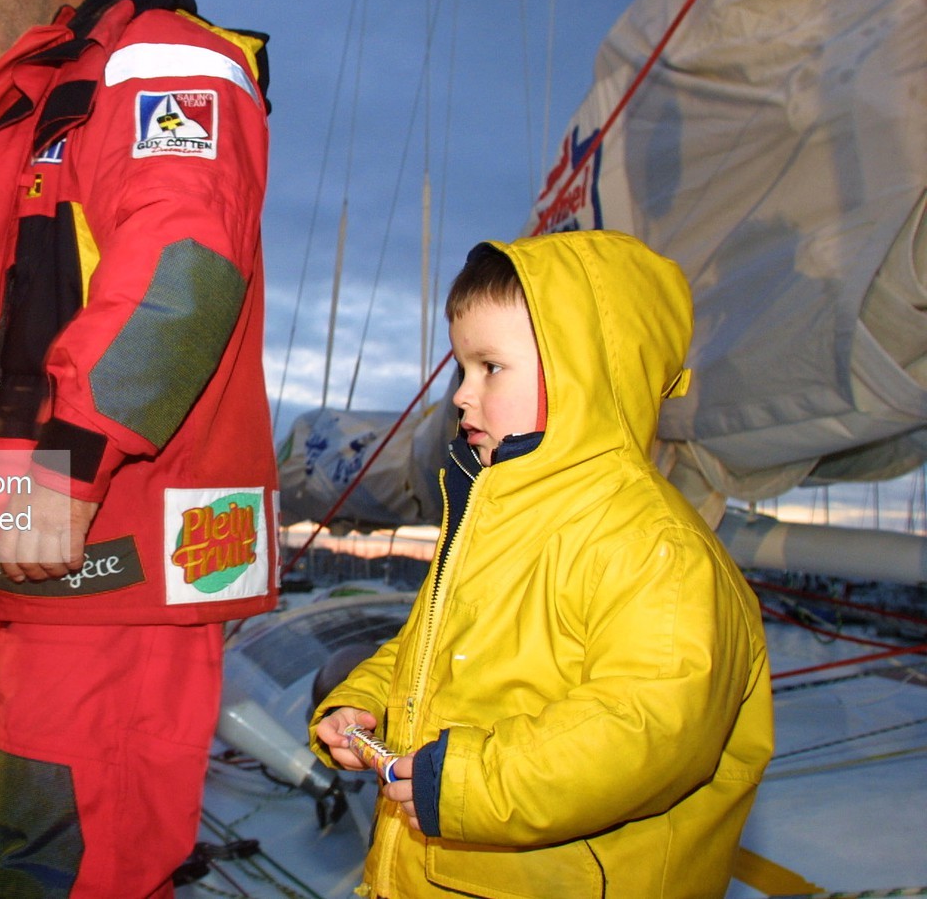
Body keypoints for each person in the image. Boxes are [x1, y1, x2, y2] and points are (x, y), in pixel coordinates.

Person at [0, 0, 277, 896]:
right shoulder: (29, 106)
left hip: (106, 552)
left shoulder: (158, 65)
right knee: (21, 863)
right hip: (26, 565)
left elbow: (183, 270)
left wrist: (65, 463)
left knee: (76, 870)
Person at [310, 231, 774, 898]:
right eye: (461, 371)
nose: (463, 397)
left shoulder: (654, 549)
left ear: (586, 371)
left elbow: (647, 729)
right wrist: (364, 702)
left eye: (490, 369)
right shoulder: (493, 518)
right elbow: (425, 652)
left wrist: (467, 783)